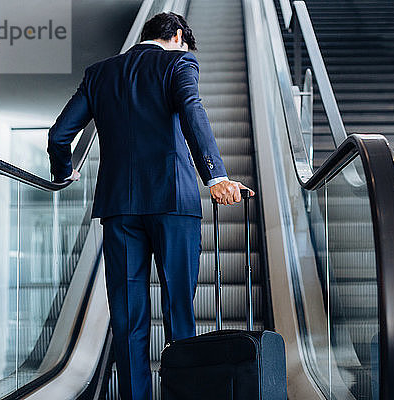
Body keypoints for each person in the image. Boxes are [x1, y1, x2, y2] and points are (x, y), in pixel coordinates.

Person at [46, 11, 254, 400]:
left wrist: (63, 173)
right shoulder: (179, 61)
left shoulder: (99, 73)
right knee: (179, 312)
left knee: (127, 320)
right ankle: (183, 394)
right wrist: (216, 177)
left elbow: (60, 135)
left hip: (119, 207)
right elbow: (193, 111)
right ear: (177, 36)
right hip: (173, 202)